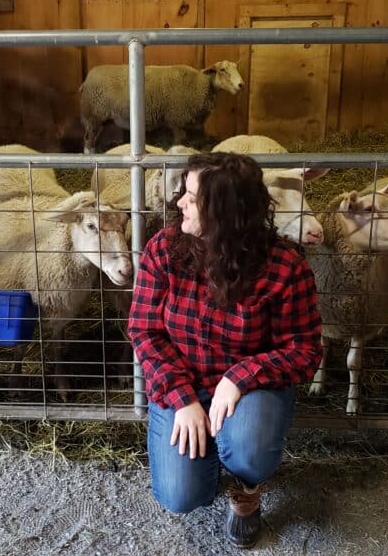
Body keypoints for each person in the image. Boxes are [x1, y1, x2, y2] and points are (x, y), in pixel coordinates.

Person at [127, 151, 323, 549]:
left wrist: (241, 377)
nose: (179, 201)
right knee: (181, 496)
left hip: (250, 390)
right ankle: (208, 454)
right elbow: (144, 331)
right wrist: (182, 399)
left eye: (192, 196)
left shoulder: (284, 266)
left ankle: (247, 494)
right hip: (183, 381)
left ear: (224, 211)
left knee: (250, 450)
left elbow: (304, 349)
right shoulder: (164, 249)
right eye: (183, 191)